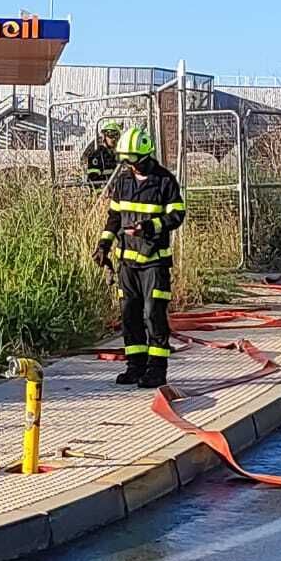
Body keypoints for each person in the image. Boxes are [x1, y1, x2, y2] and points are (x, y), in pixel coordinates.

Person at [94, 125, 186, 388]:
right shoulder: (123, 183)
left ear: (145, 156)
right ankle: (135, 366)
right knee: (130, 315)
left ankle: (157, 370)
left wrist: (150, 226)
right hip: (127, 264)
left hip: (154, 262)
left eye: (133, 160)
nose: (130, 166)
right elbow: (113, 218)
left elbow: (177, 215)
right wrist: (103, 246)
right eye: (125, 160)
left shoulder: (165, 181)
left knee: (152, 314)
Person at [81, 120, 123, 188]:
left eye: (116, 135)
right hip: (104, 193)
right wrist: (102, 195)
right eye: (111, 135)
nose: (114, 139)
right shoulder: (96, 156)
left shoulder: (119, 155)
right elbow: (93, 181)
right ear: (104, 136)